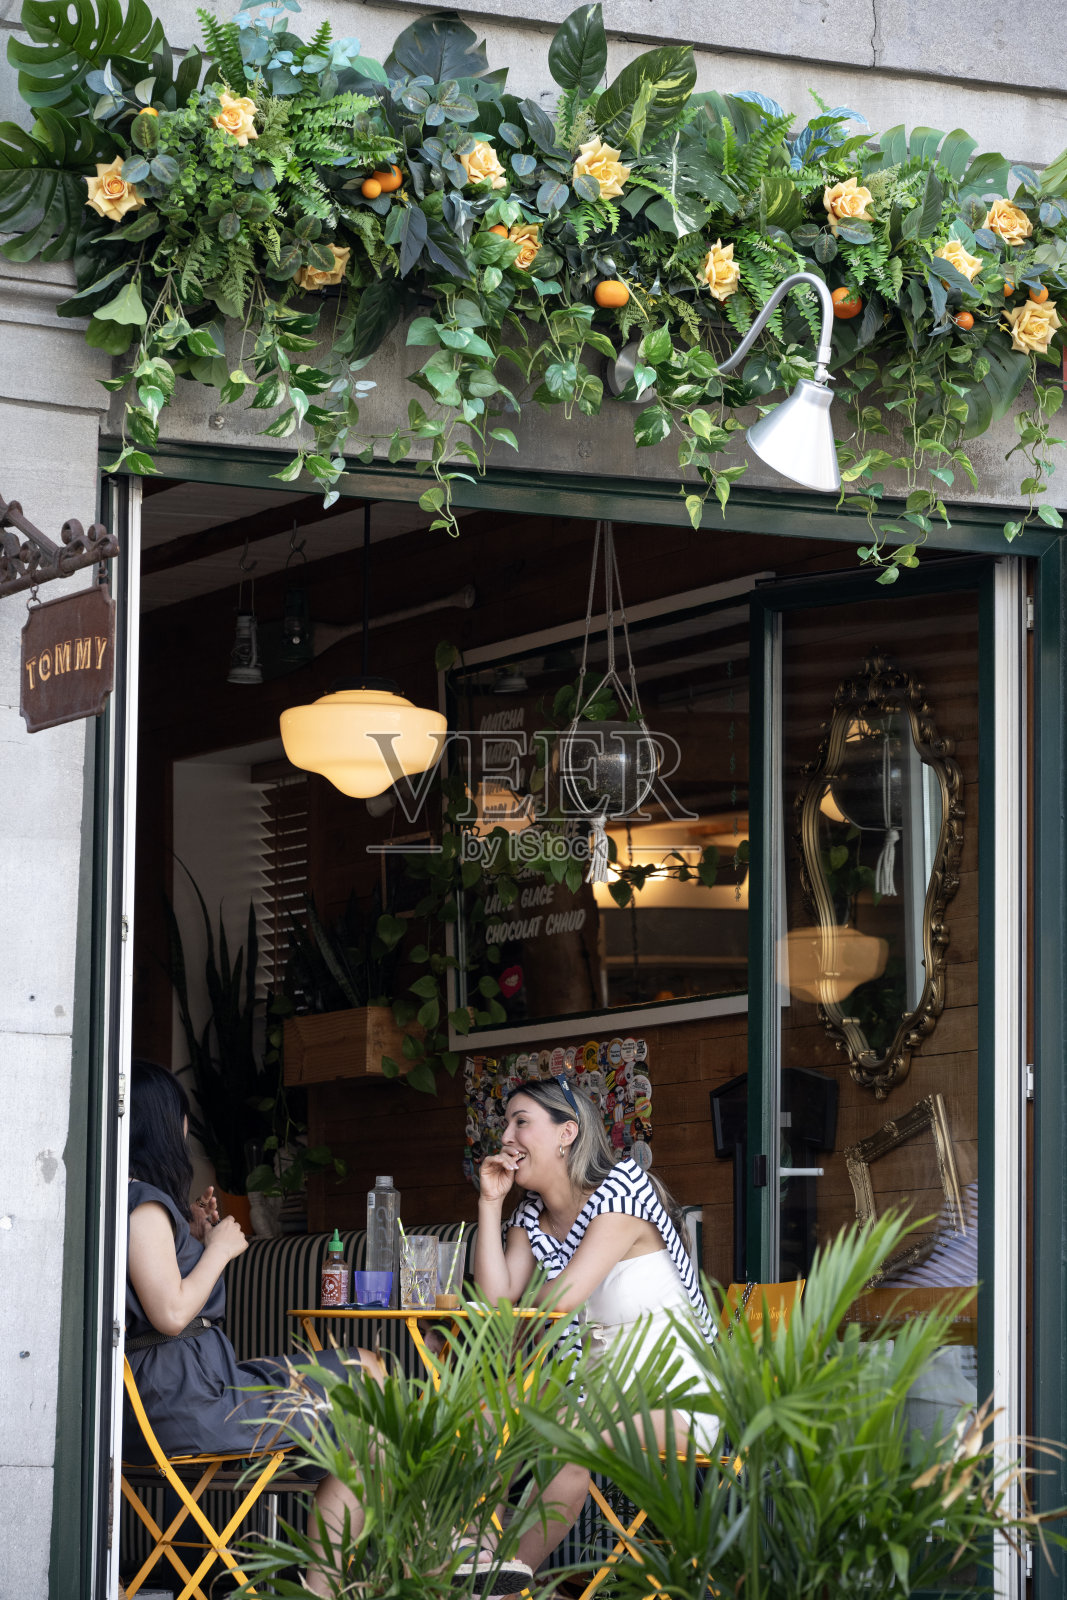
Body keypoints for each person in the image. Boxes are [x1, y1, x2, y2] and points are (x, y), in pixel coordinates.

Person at [124, 1059, 382, 1597]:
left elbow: (161, 1291)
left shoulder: (133, 1203)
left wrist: (193, 1238)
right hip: (186, 1405)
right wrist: (216, 1251)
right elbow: (171, 1315)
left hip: (193, 1392)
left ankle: (330, 1584)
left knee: (369, 1381)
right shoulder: (141, 1206)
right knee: (370, 1405)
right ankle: (339, 1583)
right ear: (167, 1126)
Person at [473, 1075, 717, 1583]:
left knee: (570, 1438)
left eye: (522, 1122)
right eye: (505, 1125)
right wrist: (490, 1203)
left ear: (567, 1133)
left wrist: (522, 1328)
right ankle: (474, 1558)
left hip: (680, 1399)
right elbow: (499, 1302)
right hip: (602, 1393)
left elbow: (559, 1300)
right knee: (486, 1413)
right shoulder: (530, 1216)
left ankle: (506, 1579)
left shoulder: (624, 1190)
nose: (507, 1138)